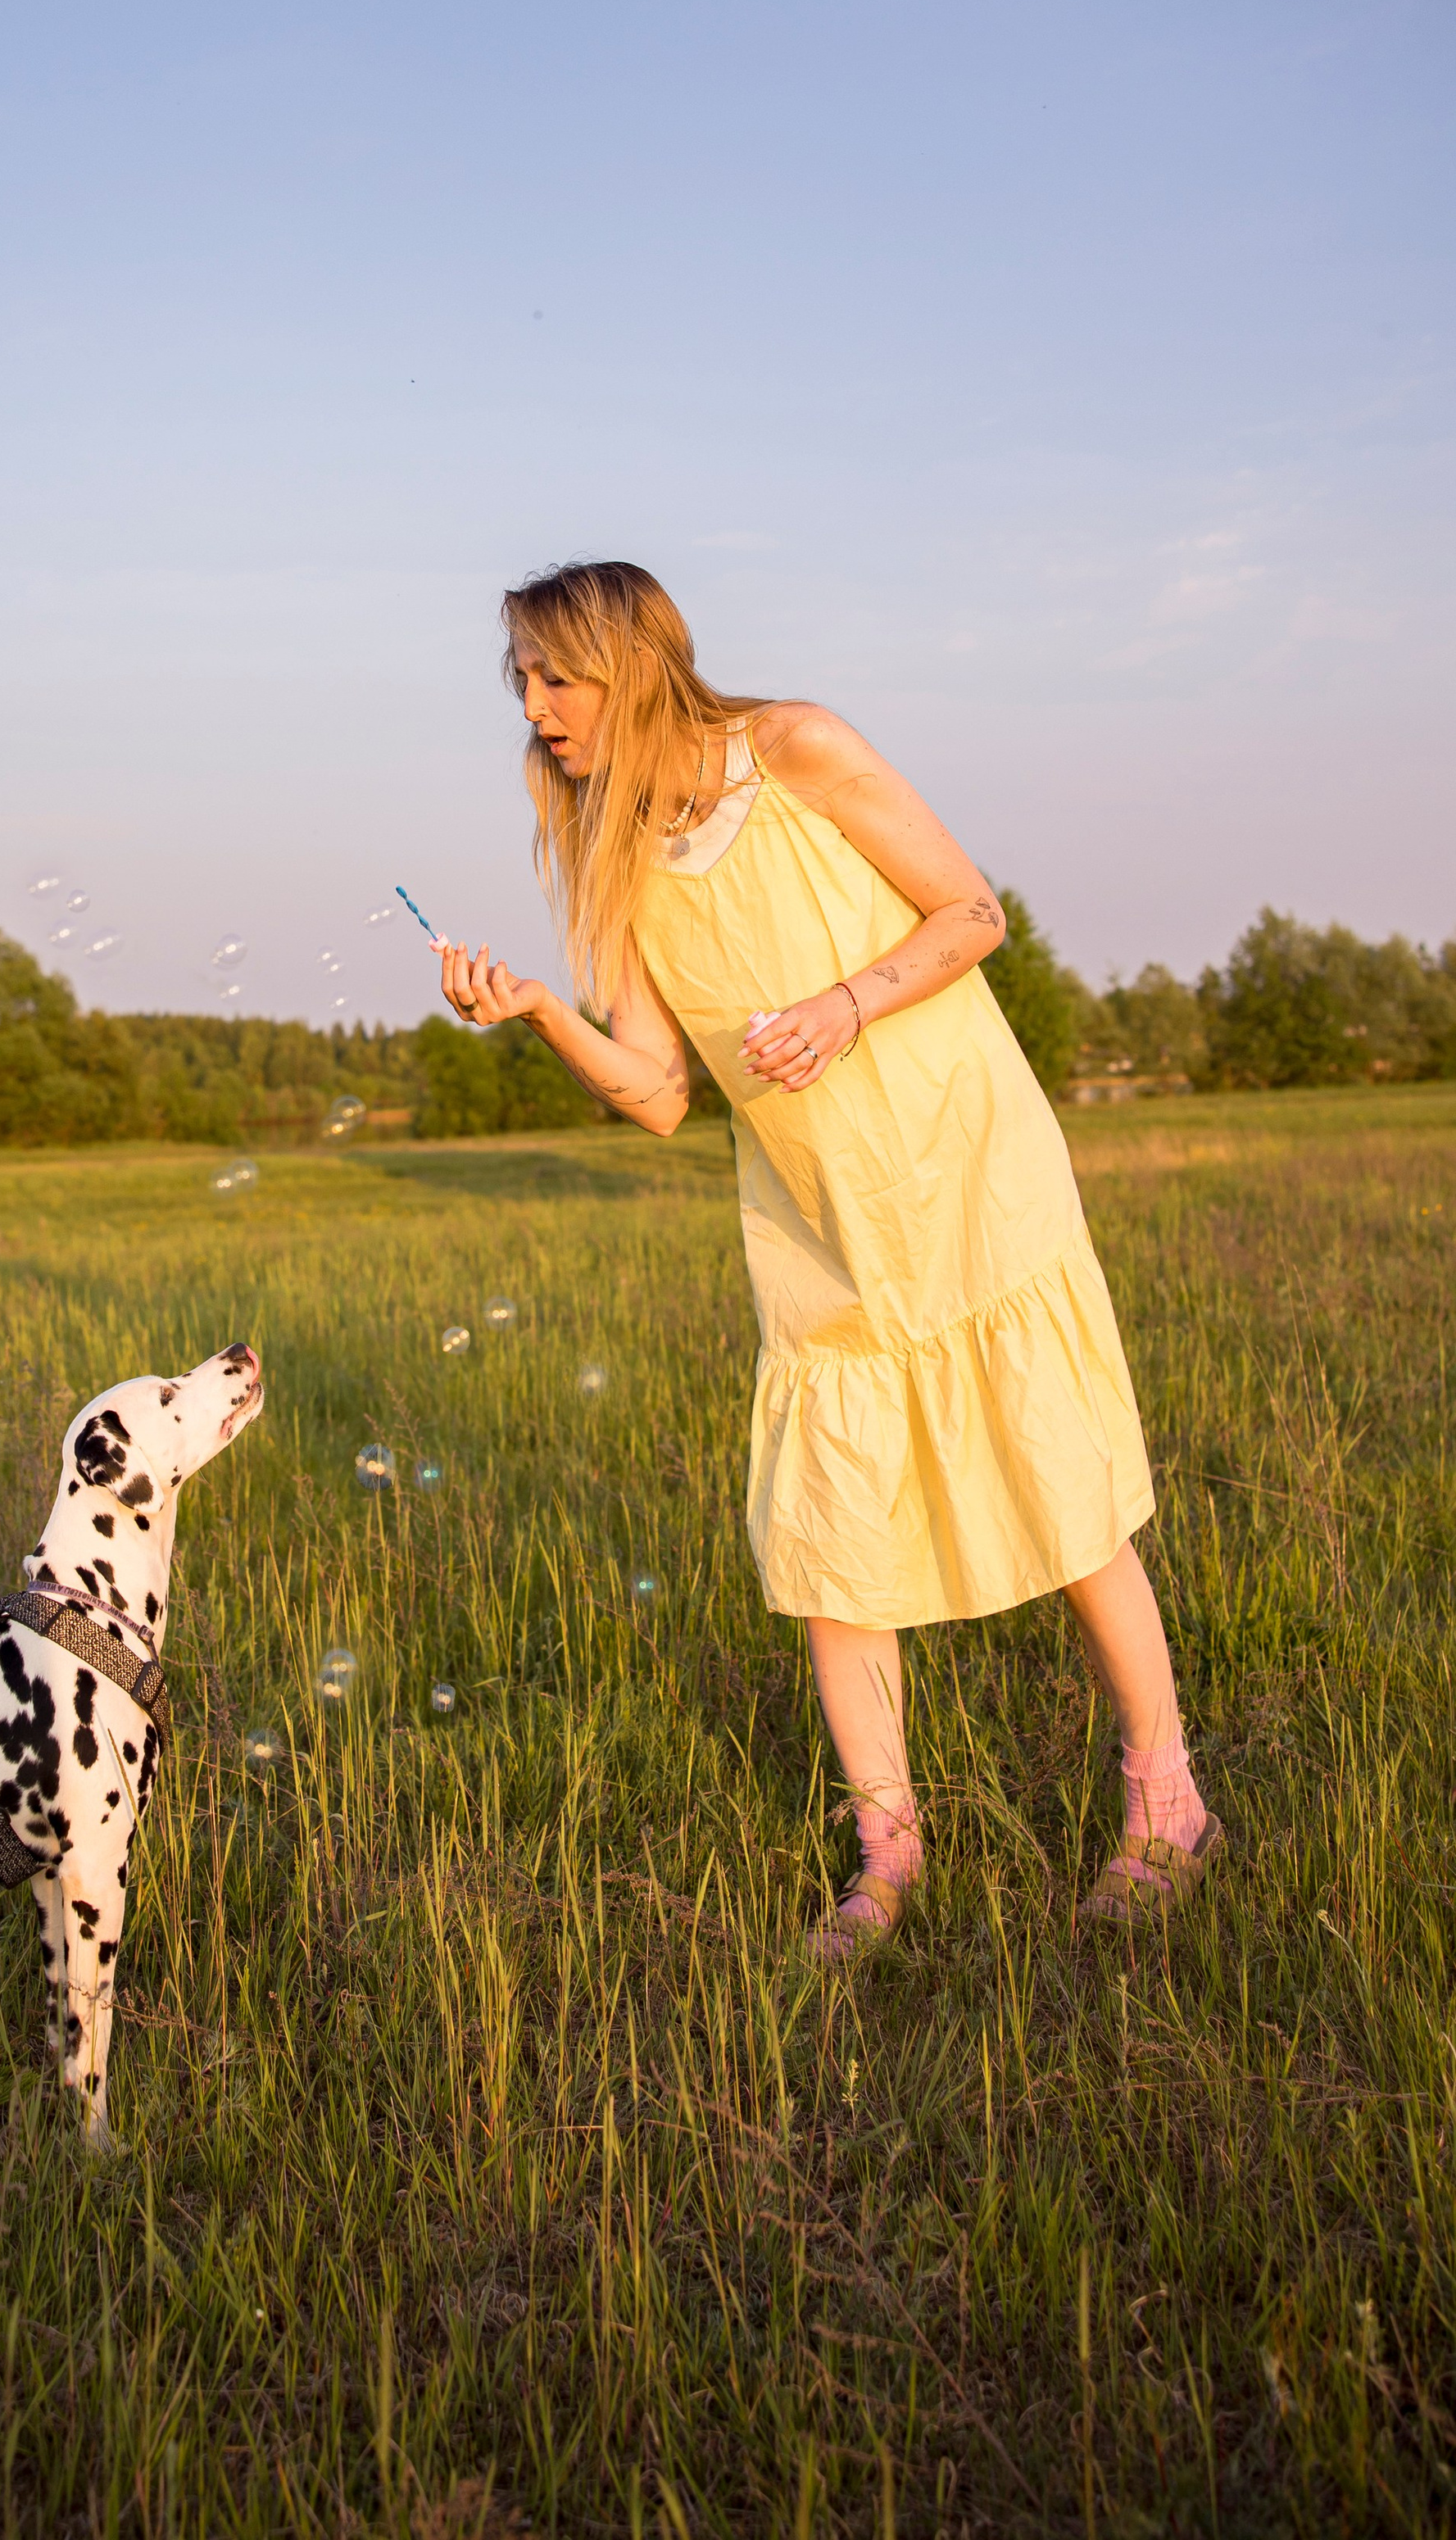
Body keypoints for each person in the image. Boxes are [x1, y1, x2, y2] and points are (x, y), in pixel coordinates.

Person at [433, 559, 1220, 1958]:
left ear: (632, 658)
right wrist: (545, 1012)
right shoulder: (604, 847)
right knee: (834, 1548)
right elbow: (664, 1091)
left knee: (1064, 1494)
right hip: (818, 1221)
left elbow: (974, 915)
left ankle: (1167, 1806)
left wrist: (849, 1007)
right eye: (523, 681)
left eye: (556, 674)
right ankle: (888, 1860)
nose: (535, 707)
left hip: (963, 1174)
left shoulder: (795, 747)